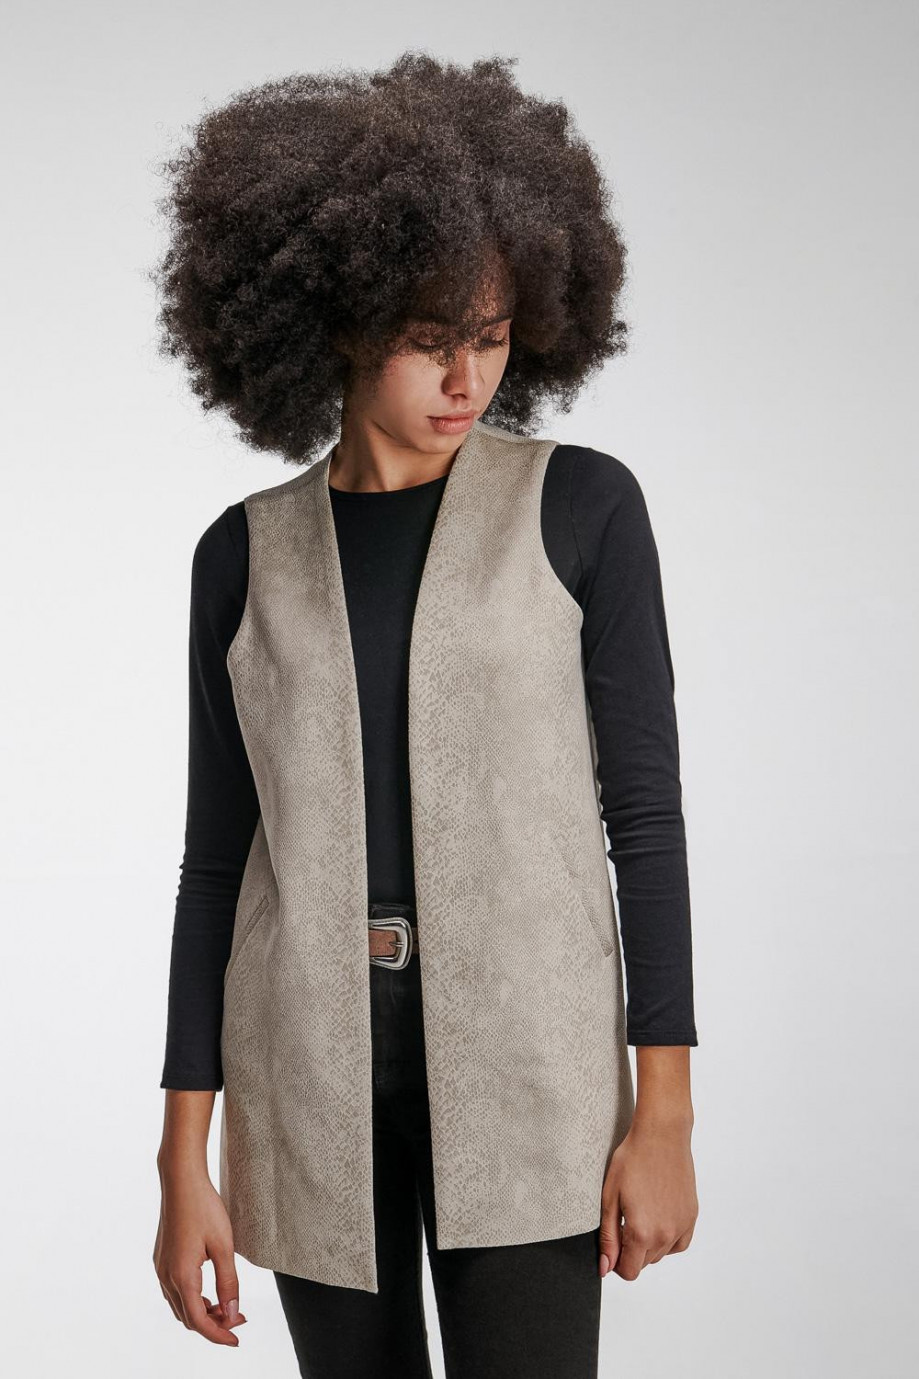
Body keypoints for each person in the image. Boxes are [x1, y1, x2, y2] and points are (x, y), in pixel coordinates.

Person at [151, 51, 699, 1379]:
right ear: (338, 322)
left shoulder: (582, 507)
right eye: (428, 338)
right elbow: (219, 865)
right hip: (305, 1074)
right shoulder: (242, 556)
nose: (468, 377)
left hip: (532, 1066)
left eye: (493, 336)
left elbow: (644, 820)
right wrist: (181, 1160)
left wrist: (665, 1115)